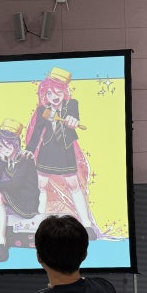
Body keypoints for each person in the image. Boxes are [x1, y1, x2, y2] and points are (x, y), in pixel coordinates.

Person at [25, 67, 99, 240]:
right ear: (45, 95)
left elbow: (74, 116)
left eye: (58, 92)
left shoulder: (71, 105)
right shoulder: (42, 111)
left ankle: (87, 225)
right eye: (49, 93)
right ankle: (38, 226)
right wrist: (29, 150)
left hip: (65, 151)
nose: (54, 96)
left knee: (74, 185)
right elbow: (37, 133)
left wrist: (73, 120)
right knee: (41, 185)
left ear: (64, 92)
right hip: (46, 151)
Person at [0, 118, 40, 263]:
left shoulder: (25, 158)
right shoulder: (4, 159)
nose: (3, 149)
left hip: (26, 202)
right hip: (14, 196)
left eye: (7, 144)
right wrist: (1, 162)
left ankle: (2, 244)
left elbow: (16, 185)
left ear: (15, 143)